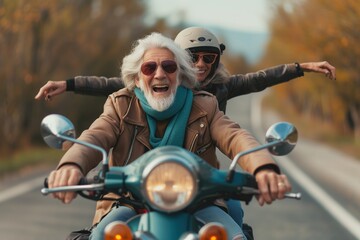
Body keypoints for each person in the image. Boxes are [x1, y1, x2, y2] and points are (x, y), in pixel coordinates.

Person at [47, 32, 292, 240]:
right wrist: (71, 165)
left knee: (234, 237)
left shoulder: (205, 105)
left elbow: (235, 136)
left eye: (169, 67)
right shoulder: (121, 105)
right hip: (127, 200)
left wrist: (264, 168)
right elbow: (95, 136)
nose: (160, 74)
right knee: (101, 236)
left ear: (182, 75)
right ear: (137, 78)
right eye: (149, 67)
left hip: (201, 200)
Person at [35, 27, 336, 114]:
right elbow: (108, 84)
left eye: (209, 58)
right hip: (155, 171)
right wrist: (68, 84)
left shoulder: (223, 87)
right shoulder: (158, 80)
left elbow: (261, 79)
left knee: (233, 220)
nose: (202, 65)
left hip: (202, 173)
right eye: (193, 58)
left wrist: (302, 67)